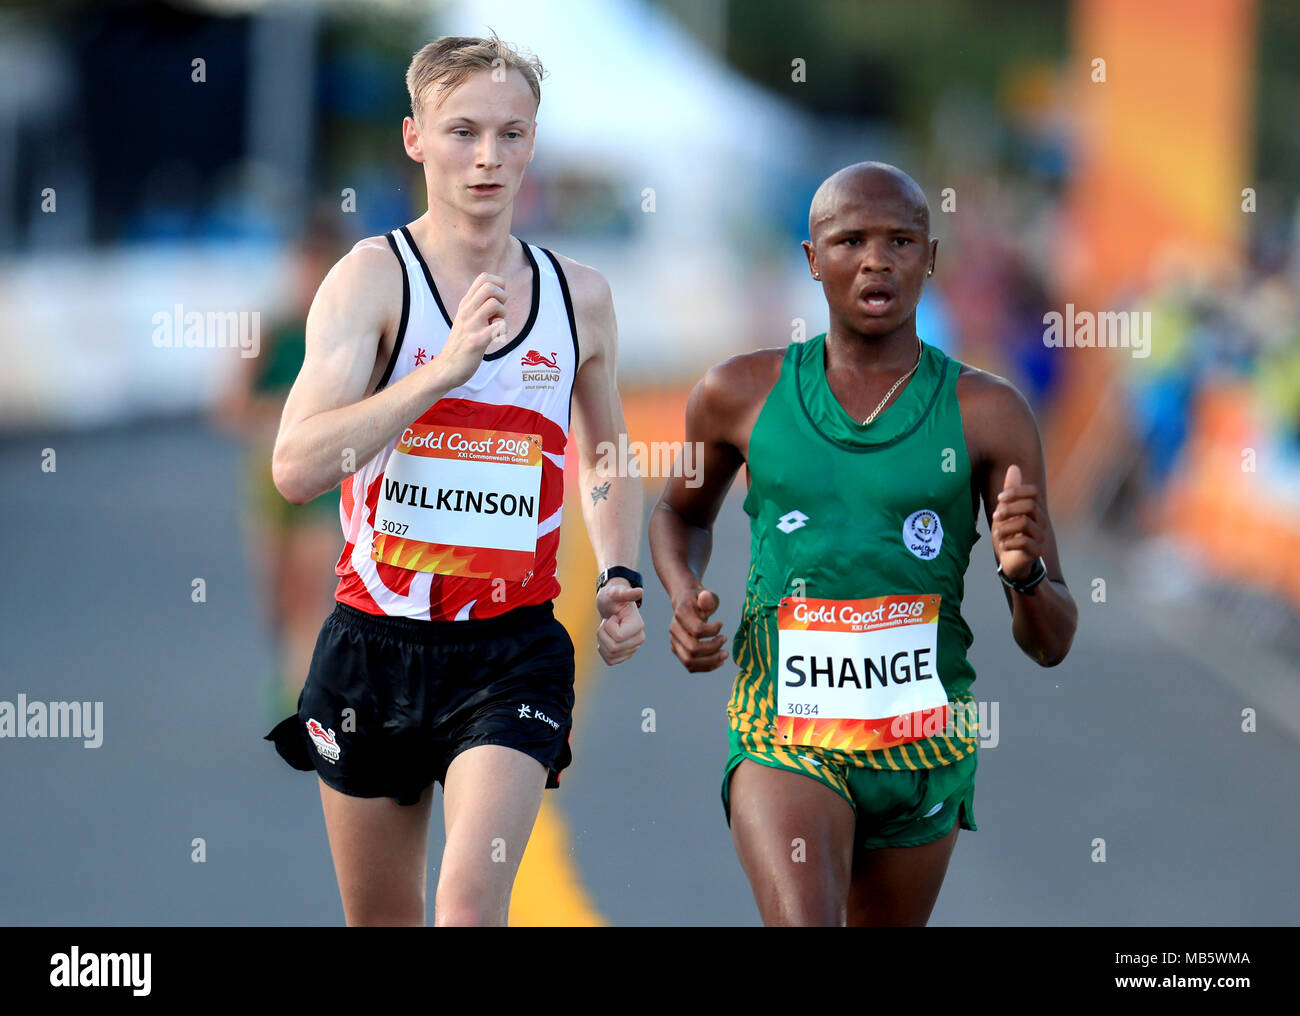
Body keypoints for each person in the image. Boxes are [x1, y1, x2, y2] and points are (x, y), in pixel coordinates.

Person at [265, 33, 647, 927]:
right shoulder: (371, 280)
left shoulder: (577, 296)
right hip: (375, 648)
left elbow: (606, 452)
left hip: (510, 650)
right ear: (414, 138)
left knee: (470, 906)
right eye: (463, 131)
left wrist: (622, 572)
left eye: (512, 135)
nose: (488, 158)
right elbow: (295, 466)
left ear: (533, 143)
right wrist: (438, 373)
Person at [649, 162, 1078, 926]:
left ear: (931, 258)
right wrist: (684, 594)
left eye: (900, 241)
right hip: (784, 732)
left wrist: (1025, 573)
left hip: (923, 745)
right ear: (813, 259)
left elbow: (1052, 640)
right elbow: (680, 512)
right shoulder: (738, 393)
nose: (876, 259)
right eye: (850, 240)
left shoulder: (988, 412)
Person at [211, 211, 345, 722]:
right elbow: (228, 406)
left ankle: (305, 696)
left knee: (309, 590)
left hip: (325, 482)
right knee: (276, 598)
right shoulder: (269, 331)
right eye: (306, 265)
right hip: (267, 479)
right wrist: (287, 413)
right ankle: (290, 668)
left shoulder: (347, 333)